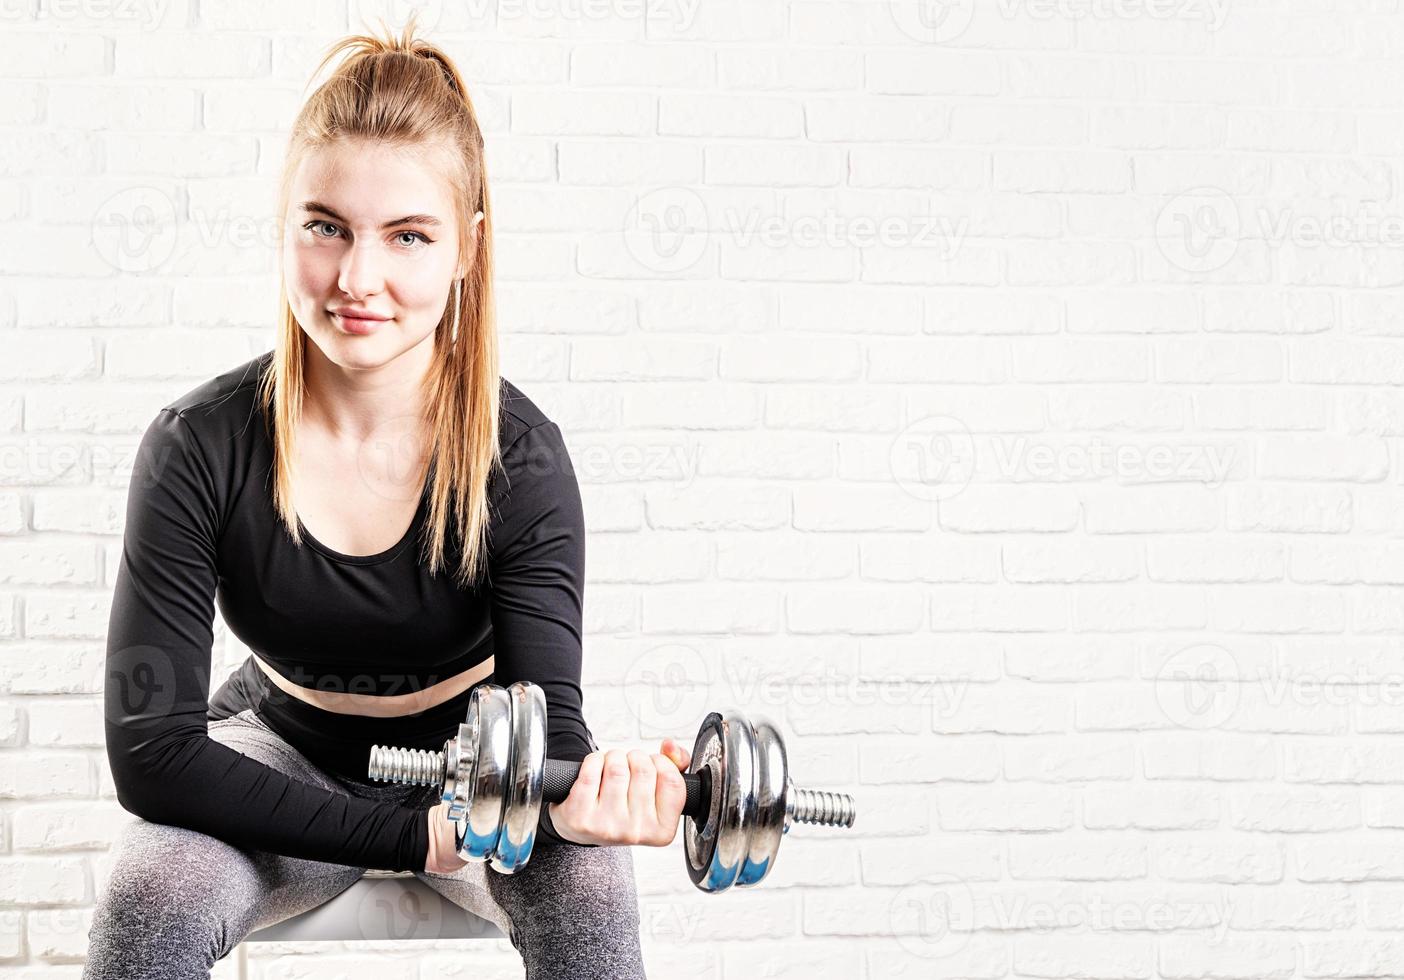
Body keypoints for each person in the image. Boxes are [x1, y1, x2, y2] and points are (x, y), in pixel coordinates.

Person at [84, 17, 689, 979]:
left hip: (480, 778)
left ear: (466, 248)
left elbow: (549, 729)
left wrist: (596, 795)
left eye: (408, 235)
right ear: (285, 224)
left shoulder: (521, 462)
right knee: (148, 897)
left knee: (592, 889)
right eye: (326, 226)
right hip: (277, 754)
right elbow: (151, 753)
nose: (357, 279)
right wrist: (405, 837)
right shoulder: (194, 447)